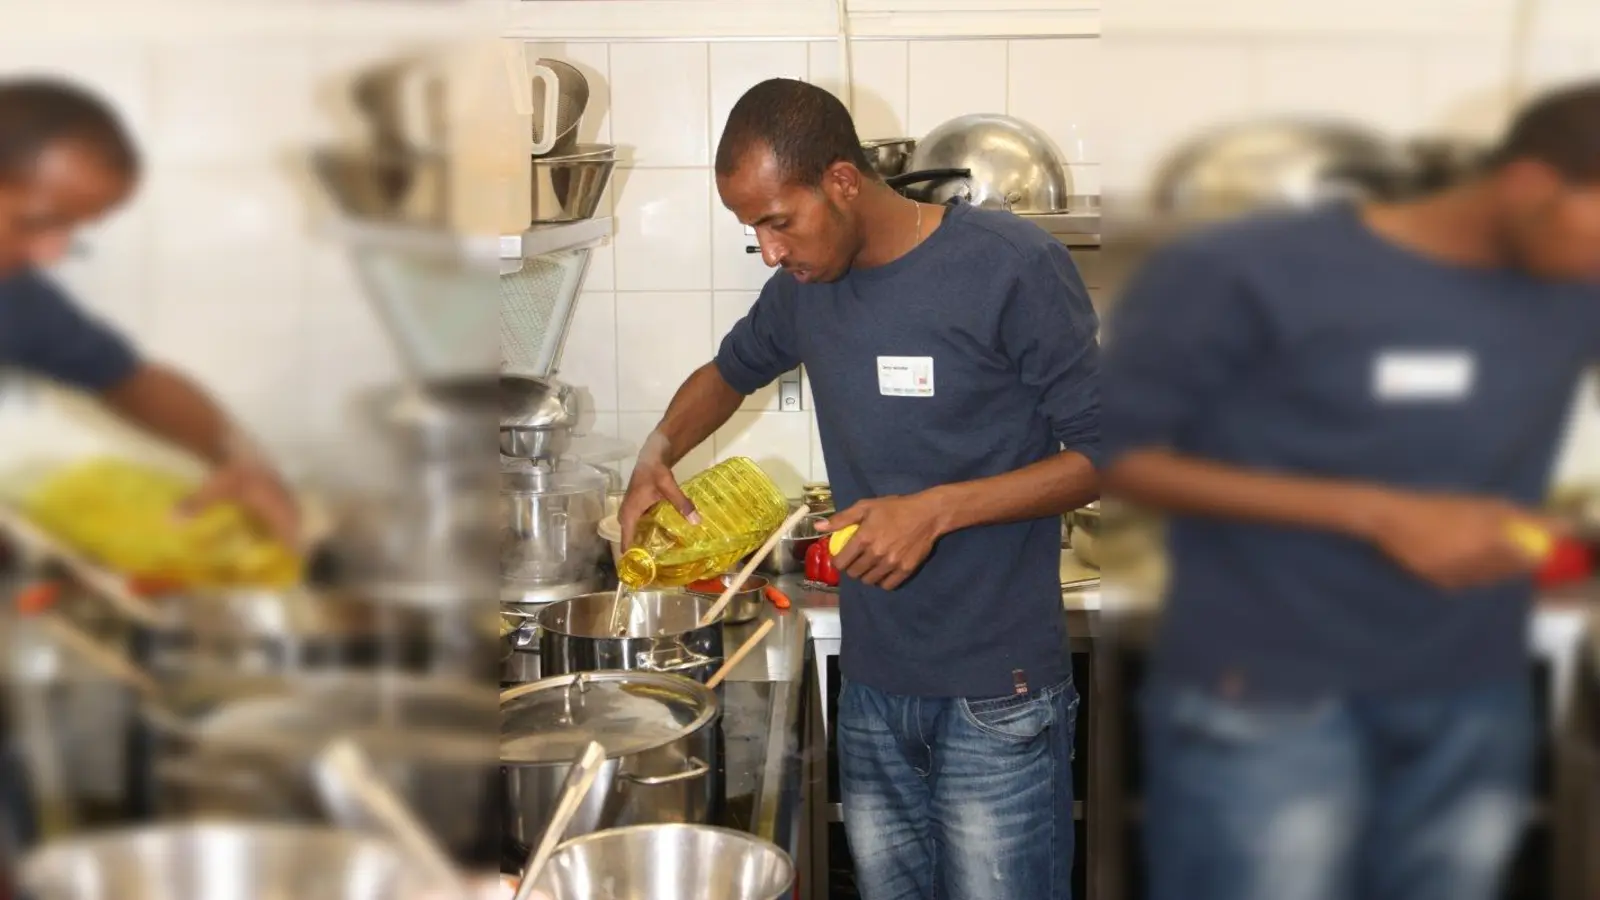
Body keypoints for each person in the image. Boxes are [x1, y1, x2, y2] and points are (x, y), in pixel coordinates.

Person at [1101, 81, 1600, 900]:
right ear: (1532, 187)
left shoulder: (1573, 289)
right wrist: (1379, 512)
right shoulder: (1241, 269)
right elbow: (1113, 450)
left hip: (1472, 695)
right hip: (1266, 699)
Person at [617, 78, 1100, 900]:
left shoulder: (1011, 266)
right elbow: (728, 373)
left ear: (842, 181)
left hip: (1000, 691)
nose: (770, 250)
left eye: (778, 221)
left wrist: (936, 509)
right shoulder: (807, 290)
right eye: (752, 229)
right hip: (875, 688)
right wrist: (656, 452)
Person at [0, 78, 297, 543]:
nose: (52, 255)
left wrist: (241, 461)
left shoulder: (16, 299)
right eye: (36, 222)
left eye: (73, 230)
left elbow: (129, 380)